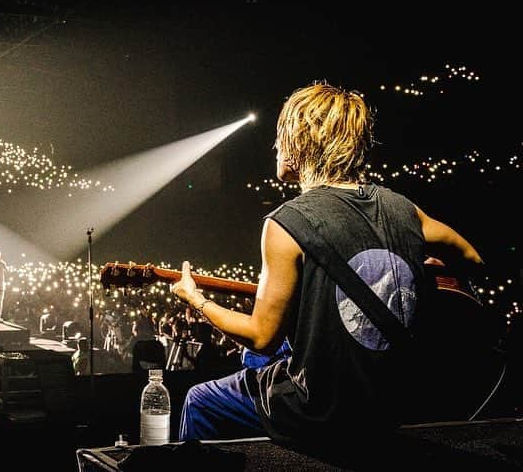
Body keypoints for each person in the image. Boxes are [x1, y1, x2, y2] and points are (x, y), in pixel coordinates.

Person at [169, 81, 485, 444]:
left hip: (324, 407)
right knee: (257, 362)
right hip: (395, 398)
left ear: (297, 145)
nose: (275, 147)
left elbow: (261, 336)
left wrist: (196, 299)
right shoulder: (403, 208)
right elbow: (473, 260)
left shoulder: (285, 223)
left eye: (280, 138)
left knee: (200, 400)